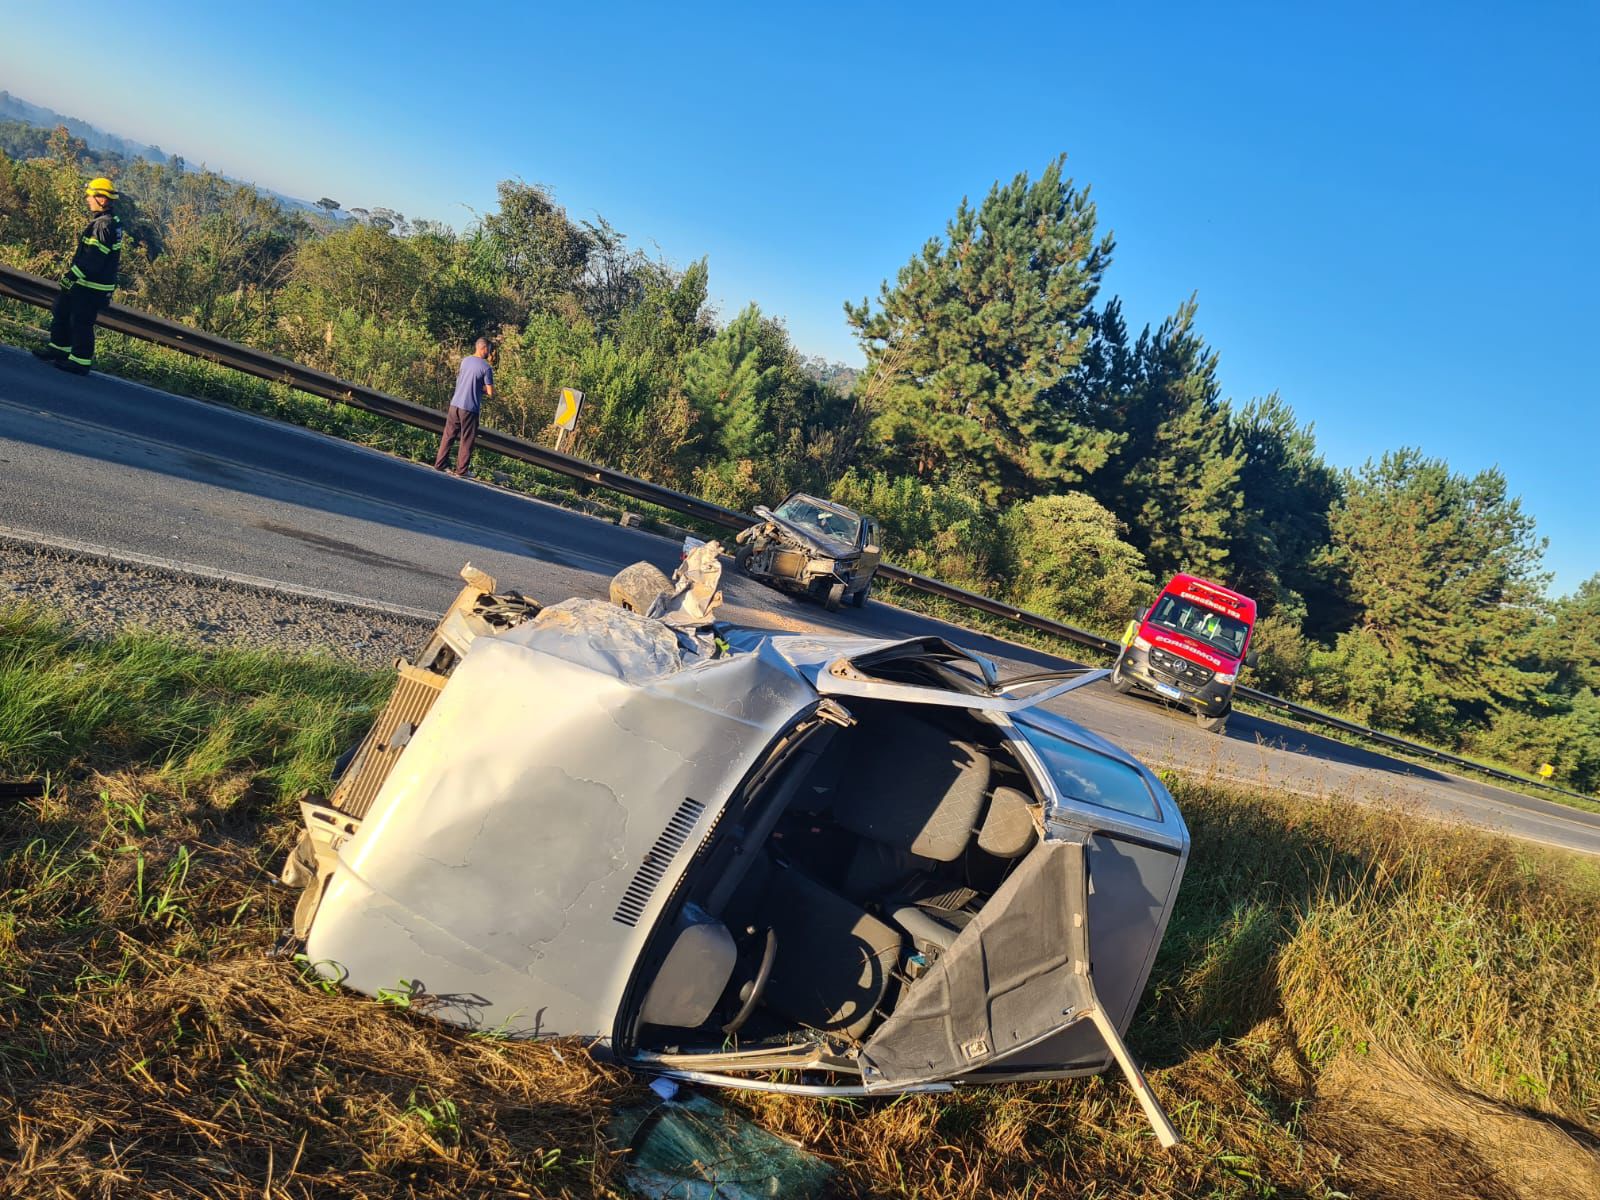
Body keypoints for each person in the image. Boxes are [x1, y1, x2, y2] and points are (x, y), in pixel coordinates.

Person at [33, 177, 125, 375]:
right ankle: (59, 349)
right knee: (62, 310)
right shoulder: (110, 223)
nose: (87, 199)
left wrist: (71, 276)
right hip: (86, 283)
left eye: (90, 196)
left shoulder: (102, 226)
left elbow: (93, 259)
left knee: (81, 321)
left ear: (102, 199)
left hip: (91, 286)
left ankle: (80, 362)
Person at [433, 337, 495, 477]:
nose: (489, 353)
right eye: (489, 350)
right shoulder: (486, 367)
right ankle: (462, 470)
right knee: (467, 439)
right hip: (470, 407)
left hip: (455, 404)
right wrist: (480, 388)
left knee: (448, 435)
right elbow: (490, 392)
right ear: (483, 348)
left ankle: (440, 463)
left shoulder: (465, 360)